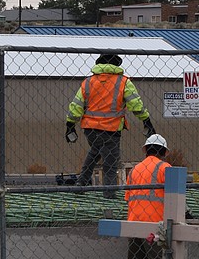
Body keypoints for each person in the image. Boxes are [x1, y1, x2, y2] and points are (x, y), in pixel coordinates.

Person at [65, 53, 155, 198]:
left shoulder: (88, 82)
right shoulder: (123, 82)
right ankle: (109, 193)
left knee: (95, 151)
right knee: (111, 162)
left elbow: (76, 105)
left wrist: (70, 125)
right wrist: (146, 121)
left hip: (90, 129)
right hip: (111, 129)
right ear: (116, 65)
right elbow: (136, 105)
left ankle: (81, 184)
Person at [125, 134, 171, 259]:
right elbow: (173, 198)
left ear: (146, 150)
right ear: (163, 152)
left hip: (133, 224)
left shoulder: (135, 169)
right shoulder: (165, 168)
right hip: (155, 226)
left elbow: (128, 198)